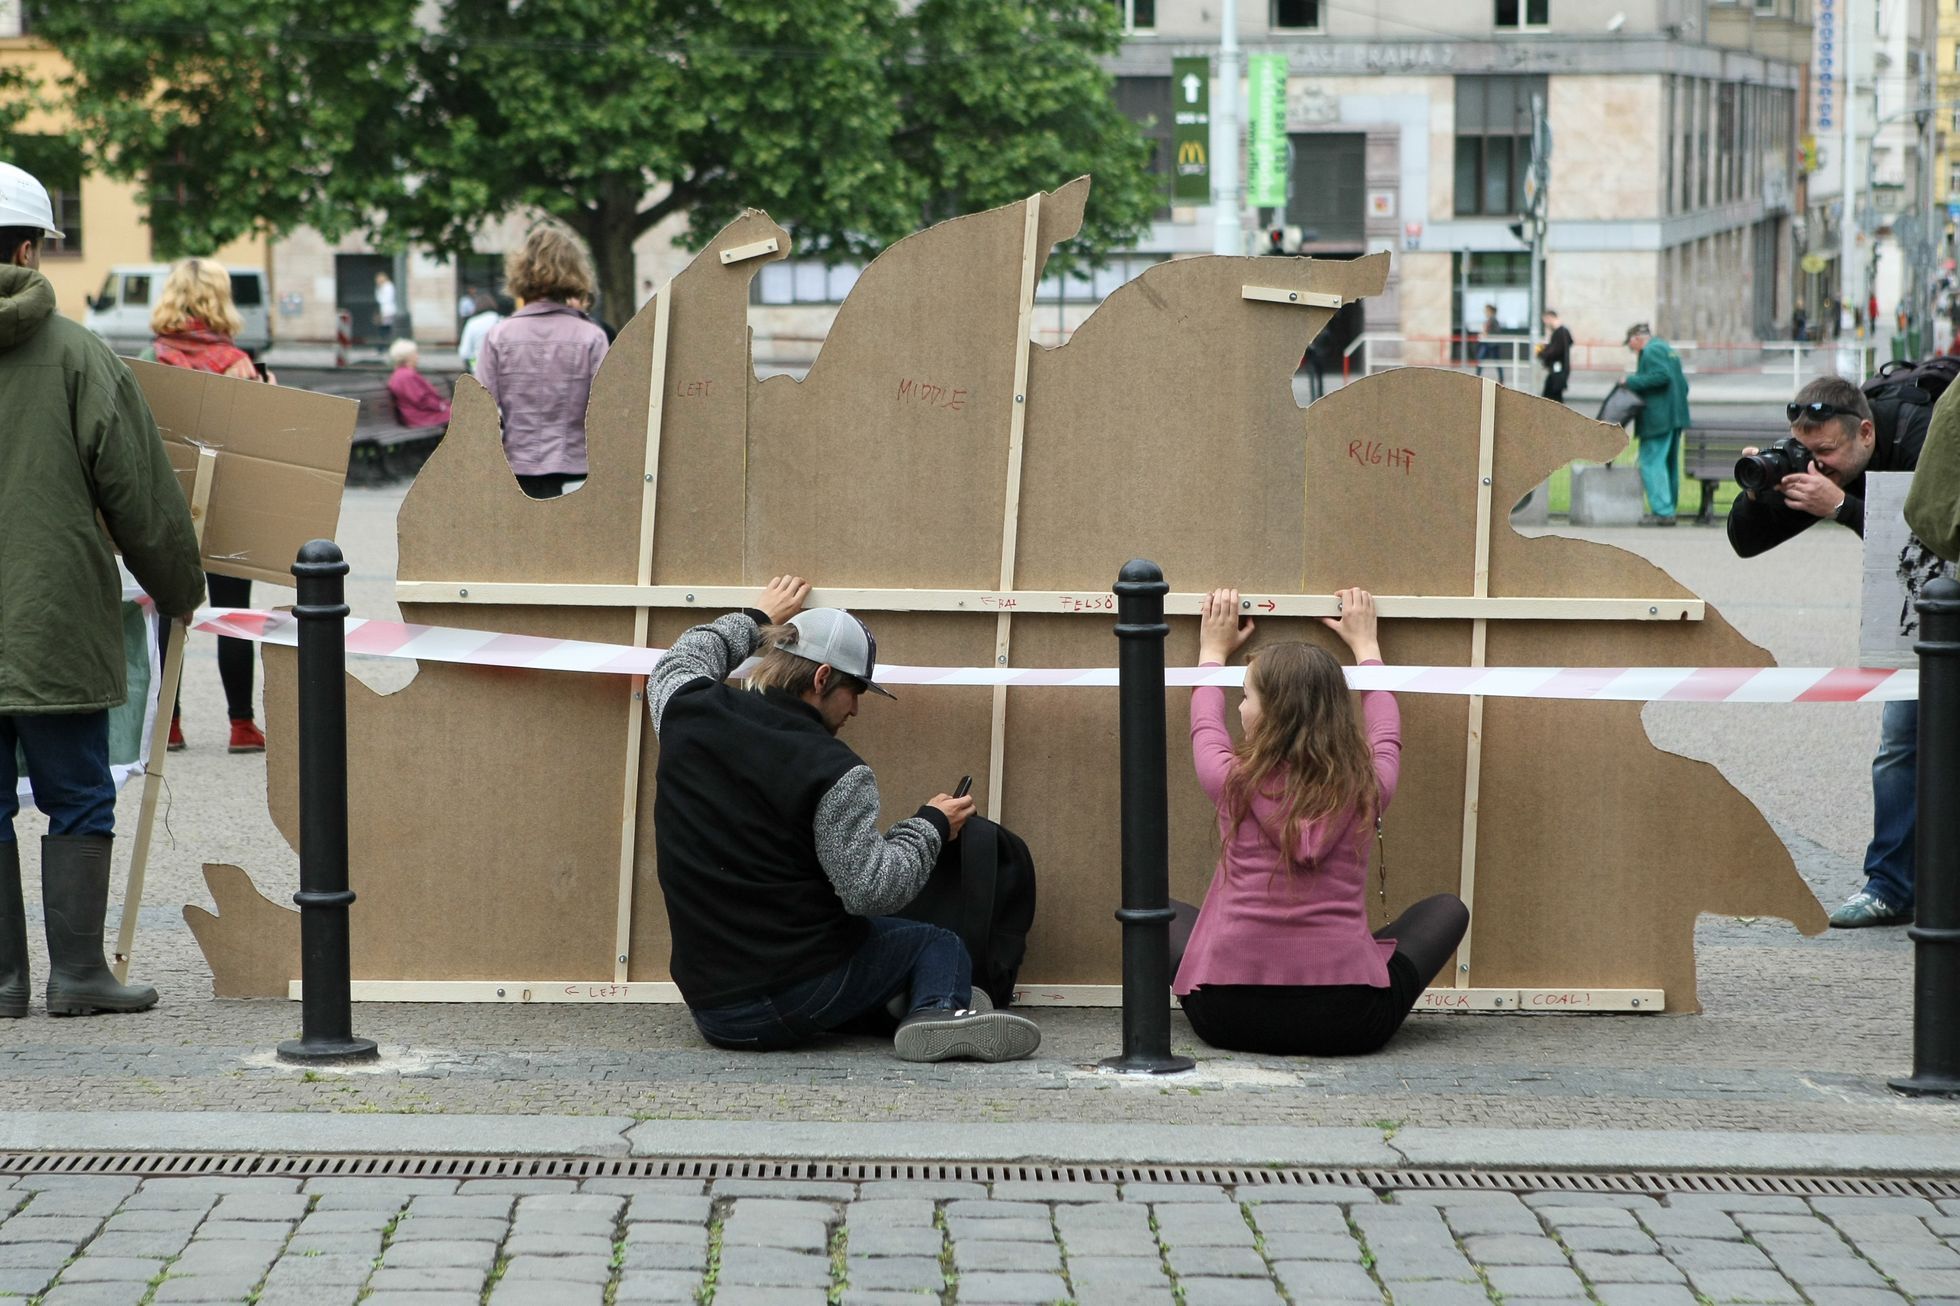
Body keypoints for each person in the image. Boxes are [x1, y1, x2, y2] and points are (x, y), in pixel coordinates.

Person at [648, 575, 1042, 1063]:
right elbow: (872, 891)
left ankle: (902, 1003)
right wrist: (931, 825)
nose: (855, 708)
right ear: (821, 678)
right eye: (854, 691)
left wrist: (756, 619)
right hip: (794, 995)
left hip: (714, 1009)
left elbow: (682, 657)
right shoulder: (836, 771)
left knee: (867, 955)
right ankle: (937, 1011)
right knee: (937, 946)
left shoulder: (687, 711)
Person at [0, 163, 206, 1018]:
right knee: (77, 793)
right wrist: (181, 587)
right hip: (53, 621)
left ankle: (3, 982)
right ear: (27, 248)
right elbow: (141, 499)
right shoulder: (82, 356)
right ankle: (78, 974)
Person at [1172, 586, 1467, 1057]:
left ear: (1269, 713)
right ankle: (1336, 955)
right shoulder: (1368, 787)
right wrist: (1366, 646)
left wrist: (1211, 651)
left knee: (1154, 911)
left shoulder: (1230, 780)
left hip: (1227, 1018)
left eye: (1245, 696)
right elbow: (1386, 733)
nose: (1240, 707)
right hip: (1350, 1022)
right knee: (1448, 908)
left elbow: (1205, 724)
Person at [1729, 376, 1925, 928]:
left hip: (1943, 587)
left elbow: (1932, 539)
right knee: (1902, 741)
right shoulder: (1827, 465)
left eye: (1825, 452)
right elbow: (1745, 543)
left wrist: (1842, 506)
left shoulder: (1923, 438)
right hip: (1915, 612)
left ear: (1866, 432)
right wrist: (1757, 490)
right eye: (1804, 450)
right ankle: (1889, 887)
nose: (1815, 464)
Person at [149, 258, 272, 754]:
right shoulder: (238, 364)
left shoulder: (151, 359)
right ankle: (241, 725)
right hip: (226, 505)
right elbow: (263, 438)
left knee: (165, 610)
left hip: (165, 504)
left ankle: (168, 723)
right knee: (232, 612)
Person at [475, 222, 609, 499]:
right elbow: (608, 409)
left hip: (517, 464)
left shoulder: (498, 335)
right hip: (578, 465)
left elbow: (480, 410)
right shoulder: (592, 337)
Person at [1623, 322, 1691, 527]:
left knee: (1651, 462)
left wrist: (1629, 381)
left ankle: (1663, 511)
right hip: (1675, 416)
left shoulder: (1650, 351)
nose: (1630, 349)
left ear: (1636, 338)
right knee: (1668, 464)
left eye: (1629, 344)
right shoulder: (1667, 349)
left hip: (1658, 417)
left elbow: (1661, 377)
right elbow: (1683, 384)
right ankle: (1668, 508)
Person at [386, 338, 452, 428]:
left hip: (422, 413)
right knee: (462, 416)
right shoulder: (406, 375)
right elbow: (421, 400)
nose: (418, 356)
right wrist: (442, 406)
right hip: (420, 416)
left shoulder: (402, 373)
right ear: (408, 357)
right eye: (415, 353)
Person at [457, 293, 508, 375]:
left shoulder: (472, 323)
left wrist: (473, 363)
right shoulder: (502, 321)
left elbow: (464, 352)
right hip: (500, 370)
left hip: (479, 371)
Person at [1537, 308, 1573, 403]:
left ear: (1550, 318)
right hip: (1557, 371)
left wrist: (1542, 352)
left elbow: (1556, 351)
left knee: (1552, 399)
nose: (1546, 325)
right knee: (1552, 398)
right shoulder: (1560, 332)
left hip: (1558, 371)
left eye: (1546, 322)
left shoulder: (1561, 332)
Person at [1475, 304, 1500, 377]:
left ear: (1490, 311)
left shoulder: (1493, 320)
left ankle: (1477, 376)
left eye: (1486, 311)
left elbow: (1496, 331)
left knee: (1497, 362)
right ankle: (1477, 376)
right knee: (1480, 359)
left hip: (1492, 344)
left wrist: (1487, 334)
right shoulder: (1489, 320)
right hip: (1487, 343)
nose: (1485, 312)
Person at [373, 271, 397, 345]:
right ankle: (383, 345)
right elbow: (378, 298)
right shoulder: (381, 287)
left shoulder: (388, 286)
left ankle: (384, 345)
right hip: (384, 310)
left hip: (388, 311)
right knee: (384, 328)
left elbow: (384, 299)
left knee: (385, 328)